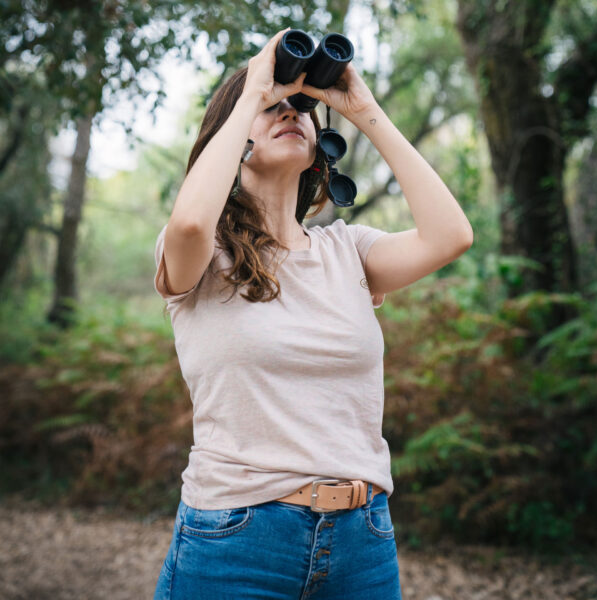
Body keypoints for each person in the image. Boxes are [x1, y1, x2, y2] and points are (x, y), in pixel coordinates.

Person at [152, 26, 473, 600]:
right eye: (273, 108)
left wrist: (363, 108)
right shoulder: (204, 255)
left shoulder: (347, 251)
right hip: (236, 539)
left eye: (302, 108)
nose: (290, 111)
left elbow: (451, 235)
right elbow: (192, 221)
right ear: (231, 138)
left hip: (363, 540)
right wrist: (253, 89)